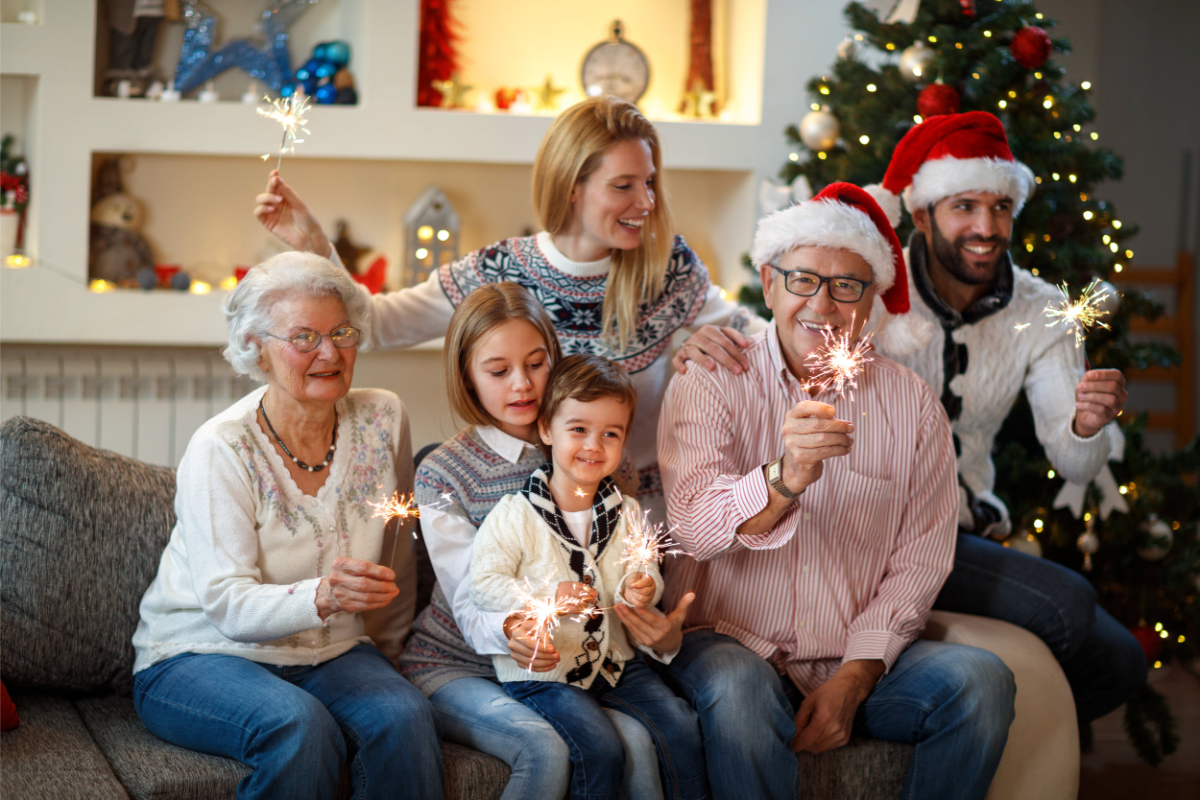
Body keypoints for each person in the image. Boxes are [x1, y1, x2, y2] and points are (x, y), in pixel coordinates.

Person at [658, 182, 1016, 800]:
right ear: (769, 284)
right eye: (802, 281)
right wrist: (783, 480)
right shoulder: (710, 378)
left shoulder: (910, 403)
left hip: (850, 654)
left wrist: (855, 677)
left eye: (846, 286)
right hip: (727, 641)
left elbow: (921, 559)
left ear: (871, 301)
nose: (821, 305)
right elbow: (691, 525)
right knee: (739, 691)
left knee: (981, 683)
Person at [254, 94, 766, 521]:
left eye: (650, 182)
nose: (647, 202)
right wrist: (316, 246)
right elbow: (378, 325)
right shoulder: (501, 269)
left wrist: (711, 341)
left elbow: (762, 341)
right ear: (572, 187)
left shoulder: (669, 268)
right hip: (532, 518)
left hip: (646, 522)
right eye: (624, 186)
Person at [866, 110, 1147, 727]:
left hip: (966, 530)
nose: (986, 227)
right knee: (1068, 606)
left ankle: (972, 744)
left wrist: (1086, 425)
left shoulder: (1041, 307)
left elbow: (1070, 457)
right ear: (921, 214)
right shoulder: (872, 287)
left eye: (999, 207)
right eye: (964, 205)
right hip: (878, 529)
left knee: (1121, 660)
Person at [131, 252, 443, 800]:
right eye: (304, 338)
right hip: (199, 656)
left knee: (405, 716)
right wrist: (321, 595)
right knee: (300, 726)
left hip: (335, 653)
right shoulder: (222, 447)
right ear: (257, 349)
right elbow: (226, 605)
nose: (330, 352)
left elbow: (394, 556)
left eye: (341, 332)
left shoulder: (382, 418)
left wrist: (392, 658)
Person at [397, 283, 687, 799]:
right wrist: (523, 624)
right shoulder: (444, 473)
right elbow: (471, 603)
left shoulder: (594, 449)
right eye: (498, 370)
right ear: (466, 374)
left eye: (536, 363)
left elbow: (628, 570)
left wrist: (649, 611)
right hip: (459, 663)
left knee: (643, 744)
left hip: (571, 661)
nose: (522, 385)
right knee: (548, 748)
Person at [469, 353, 708, 800]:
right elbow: (485, 585)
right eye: (578, 429)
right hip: (545, 670)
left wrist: (643, 586)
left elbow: (645, 568)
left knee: (679, 724)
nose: (593, 445)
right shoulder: (514, 515)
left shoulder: (629, 512)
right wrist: (546, 595)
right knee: (597, 746)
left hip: (616, 662)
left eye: (610, 434)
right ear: (546, 430)